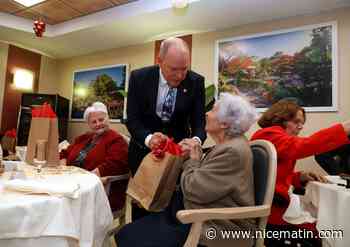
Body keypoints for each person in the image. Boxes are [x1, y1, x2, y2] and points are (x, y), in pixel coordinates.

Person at [116, 93, 258, 247]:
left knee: (128, 238)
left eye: (213, 110)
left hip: (216, 225)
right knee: (127, 233)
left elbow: (193, 190)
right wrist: (176, 149)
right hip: (197, 214)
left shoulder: (233, 151)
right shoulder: (230, 145)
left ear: (224, 124)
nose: (206, 113)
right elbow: (205, 176)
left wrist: (193, 160)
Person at [251, 100, 350, 247]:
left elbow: (272, 176)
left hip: (272, 212)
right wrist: (344, 128)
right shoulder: (270, 134)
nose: (301, 126)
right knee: (324, 233)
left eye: (302, 122)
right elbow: (305, 145)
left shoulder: (271, 137)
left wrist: (299, 177)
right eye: (296, 121)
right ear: (280, 118)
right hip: (271, 218)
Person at [126, 37, 206, 176]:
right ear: (160, 61)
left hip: (177, 158)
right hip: (142, 154)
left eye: (184, 69)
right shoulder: (139, 78)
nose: (180, 75)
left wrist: (194, 142)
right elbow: (133, 119)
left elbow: (199, 124)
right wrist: (149, 139)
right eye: (174, 69)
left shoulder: (196, 82)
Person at [60, 102, 129, 211]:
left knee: (59, 201)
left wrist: (84, 178)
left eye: (101, 120)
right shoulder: (84, 137)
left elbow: (115, 164)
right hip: (71, 182)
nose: (98, 124)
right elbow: (64, 153)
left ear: (108, 118)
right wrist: (63, 169)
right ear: (89, 124)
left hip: (98, 189)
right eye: (93, 122)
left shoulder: (116, 139)